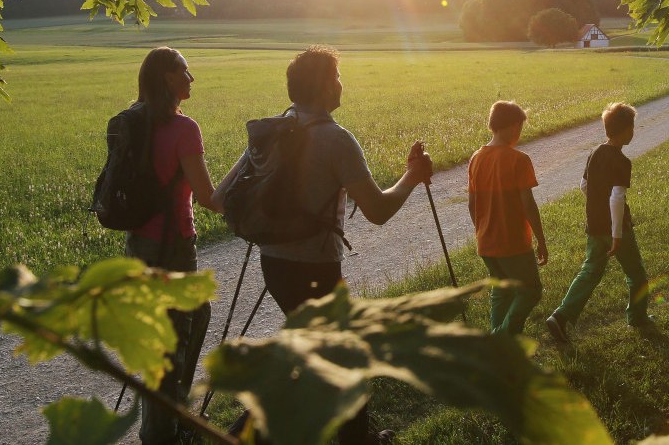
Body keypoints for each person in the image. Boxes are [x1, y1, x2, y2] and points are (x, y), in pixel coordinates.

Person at [240, 45, 432, 445]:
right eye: (337, 77)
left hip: (273, 264)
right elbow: (377, 210)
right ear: (326, 87)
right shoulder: (336, 139)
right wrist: (412, 176)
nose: (341, 84)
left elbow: (223, 197)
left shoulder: (273, 130)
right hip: (315, 269)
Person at [126, 46, 223, 445]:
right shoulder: (185, 129)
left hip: (138, 246)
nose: (191, 77)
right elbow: (207, 197)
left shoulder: (131, 121)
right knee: (171, 344)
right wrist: (246, 173)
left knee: (183, 323)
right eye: (184, 70)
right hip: (175, 247)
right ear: (168, 78)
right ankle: (160, 434)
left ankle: (171, 416)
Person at [545, 102, 651, 342]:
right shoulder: (622, 161)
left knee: (590, 271)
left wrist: (596, 204)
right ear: (625, 130)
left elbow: (584, 185)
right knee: (636, 274)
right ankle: (637, 317)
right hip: (617, 229)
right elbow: (617, 198)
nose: (633, 132)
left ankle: (560, 316)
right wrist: (616, 234)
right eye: (632, 127)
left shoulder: (595, 153)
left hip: (594, 225)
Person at [467, 100, 549, 336]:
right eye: (520, 128)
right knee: (531, 291)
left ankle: (501, 353)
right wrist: (540, 240)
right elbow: (528, 204)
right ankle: (499, 340)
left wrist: (482, 231)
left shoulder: (476, 158)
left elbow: (472, 204)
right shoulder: (519, 160)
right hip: (513, 242)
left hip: (486, 242)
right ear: (512, 126)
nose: (519, 134)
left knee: (501, 291)